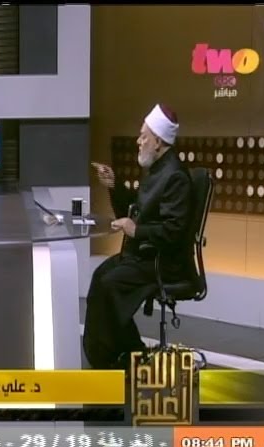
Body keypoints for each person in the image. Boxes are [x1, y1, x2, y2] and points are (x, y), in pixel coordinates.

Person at [84, 104, 194, 369]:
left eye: (144, 136)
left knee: (109, 284)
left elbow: (174, 231)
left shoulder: (175, 176)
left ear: (158, 142)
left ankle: (125, 353)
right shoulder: (156, 170)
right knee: (100, 277)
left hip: (163, 261)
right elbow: (136, 211)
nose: (138, 141)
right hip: (143, 254)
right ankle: (114, 354)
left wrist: (136, 230)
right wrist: (114, 185)